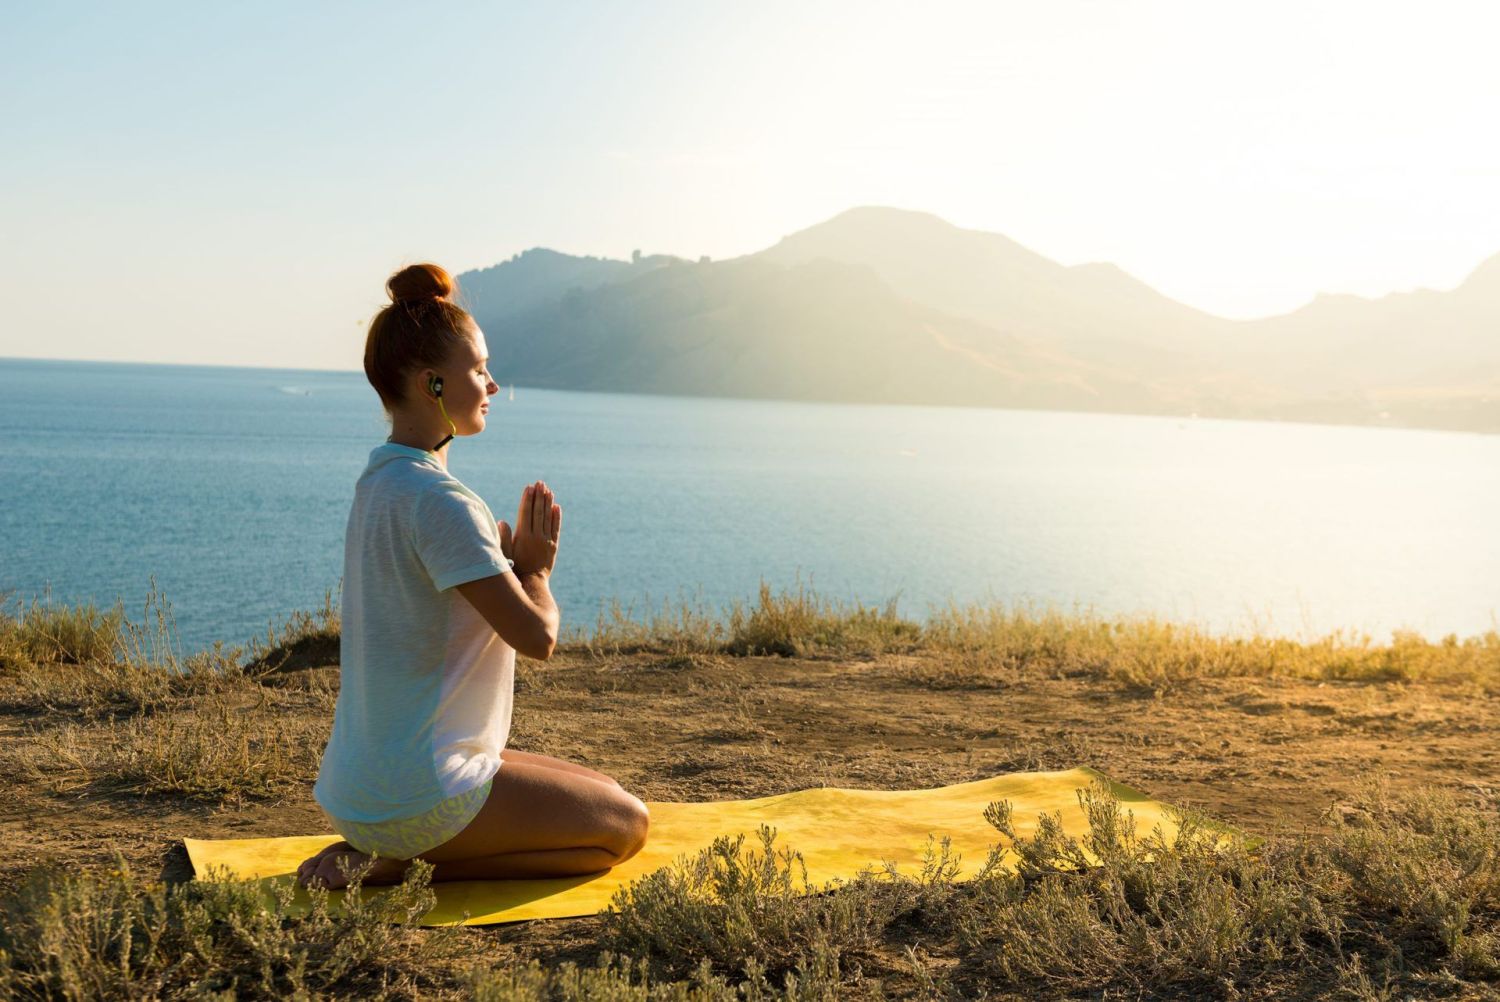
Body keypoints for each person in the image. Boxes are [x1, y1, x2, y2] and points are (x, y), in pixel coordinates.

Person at [296, 262, 649, 891]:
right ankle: (402, 866)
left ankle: (386, 846)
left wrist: (510, 568)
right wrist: (535, 571)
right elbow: (537, 638)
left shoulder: (380, 483)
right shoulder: (443, 502)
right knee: (624, 827)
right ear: (433, 384)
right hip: (414, 796)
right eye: (478, 369)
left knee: (603, 790)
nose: (491, 383)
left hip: (361, 785)